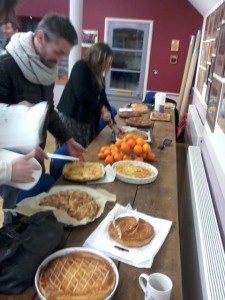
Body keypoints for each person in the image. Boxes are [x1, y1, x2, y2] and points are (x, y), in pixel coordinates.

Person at [0, 13, 86, 214]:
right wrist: (16, 113)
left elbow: (48, 111)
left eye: (64, 54)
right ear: (40, 38)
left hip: (36, 151)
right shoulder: (6, 67)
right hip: (10, 160)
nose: (59, 59)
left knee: (38, 208)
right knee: (17, 211)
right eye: (58, 51)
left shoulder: (46, 69)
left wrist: (68, 140)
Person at [57, 42, 121, 148]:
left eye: (109, 63)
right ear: (98, 58)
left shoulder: (99, 75)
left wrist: (113, 123)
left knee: (85, 151)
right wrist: (102, 109)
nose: (107, 66)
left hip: (86, 120)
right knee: (71, 153)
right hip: (71, 118)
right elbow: (82, 93)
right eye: (106, 62)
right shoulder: (81, 66)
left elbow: (103, 98)